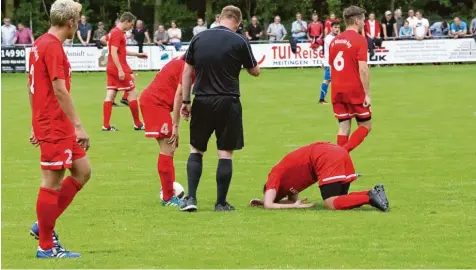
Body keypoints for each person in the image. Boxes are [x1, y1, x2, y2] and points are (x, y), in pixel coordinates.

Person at [179, 5, 260, 212]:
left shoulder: (199, 38)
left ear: (219, 18)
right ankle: (221, 203)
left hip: (203, 100)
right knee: (225, 153)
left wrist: (186, 102)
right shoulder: (240, 40)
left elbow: (187, 71)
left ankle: (191, 199)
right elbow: (255, 71)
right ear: (238, 22)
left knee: (196, 149)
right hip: (228, 101)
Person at [27, 0, 91, 258]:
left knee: (82, 171)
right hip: (55, 123)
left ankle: (43, 224)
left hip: (54, 122)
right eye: (78, 20)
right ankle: (45, 246)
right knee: (52, 182)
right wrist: (79, 126)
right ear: (71, 23)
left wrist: (35, 120)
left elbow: (29, 85)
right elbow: (58, 89)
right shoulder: (52, 47)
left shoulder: (39, 43)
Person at [249, 142, 389, 211]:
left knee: (331, 203)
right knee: (341, 200)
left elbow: (269, 204)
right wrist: (292, 204)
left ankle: (370, 197)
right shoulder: (288, 187)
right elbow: (290, 201)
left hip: (325, 157)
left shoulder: (273, 177)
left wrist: (266, 202)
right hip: (336, 152)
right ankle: (373, 192)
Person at [139, 56, 195, 207]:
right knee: (168, 148)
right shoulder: (189, 67)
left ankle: (168, 191)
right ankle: (168, 197)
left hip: (156, 102)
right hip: (155, 104)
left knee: (170, 148)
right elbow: (179, 95)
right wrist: (175, 126)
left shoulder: (184, 61)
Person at [329, 5, 372, 153]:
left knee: (344, 126)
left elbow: (331, 66)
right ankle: (341, 155)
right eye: (363, 20)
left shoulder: (334, 41)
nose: (364, 23)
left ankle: (339, 168)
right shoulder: (360, 40)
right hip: (353, 89)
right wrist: (367, 93)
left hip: (336, 89)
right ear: (357, 21)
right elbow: (363, 68)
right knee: (366, 126)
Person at [102, 12, 148, 131]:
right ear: (126, 21)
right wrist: (120, 70)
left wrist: (137, 54)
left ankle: (106, 125)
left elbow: (120, 50)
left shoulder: (113, 32)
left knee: (110, 94)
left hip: (111, 67)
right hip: (118, 68)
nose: (131, 27)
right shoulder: (117, 33)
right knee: (132, 92)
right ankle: (138, 124)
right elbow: (113, 52)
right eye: (131, 25)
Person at [319, 21, 340, 104]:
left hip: (334, 63)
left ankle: (336, 99)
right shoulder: (328, 38)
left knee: (335, 80)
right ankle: (321, 99)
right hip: (329, 63)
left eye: (338, 27)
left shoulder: (336, 37)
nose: (337, 29)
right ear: (331, 28)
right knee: (327, 80)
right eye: (335, 27)